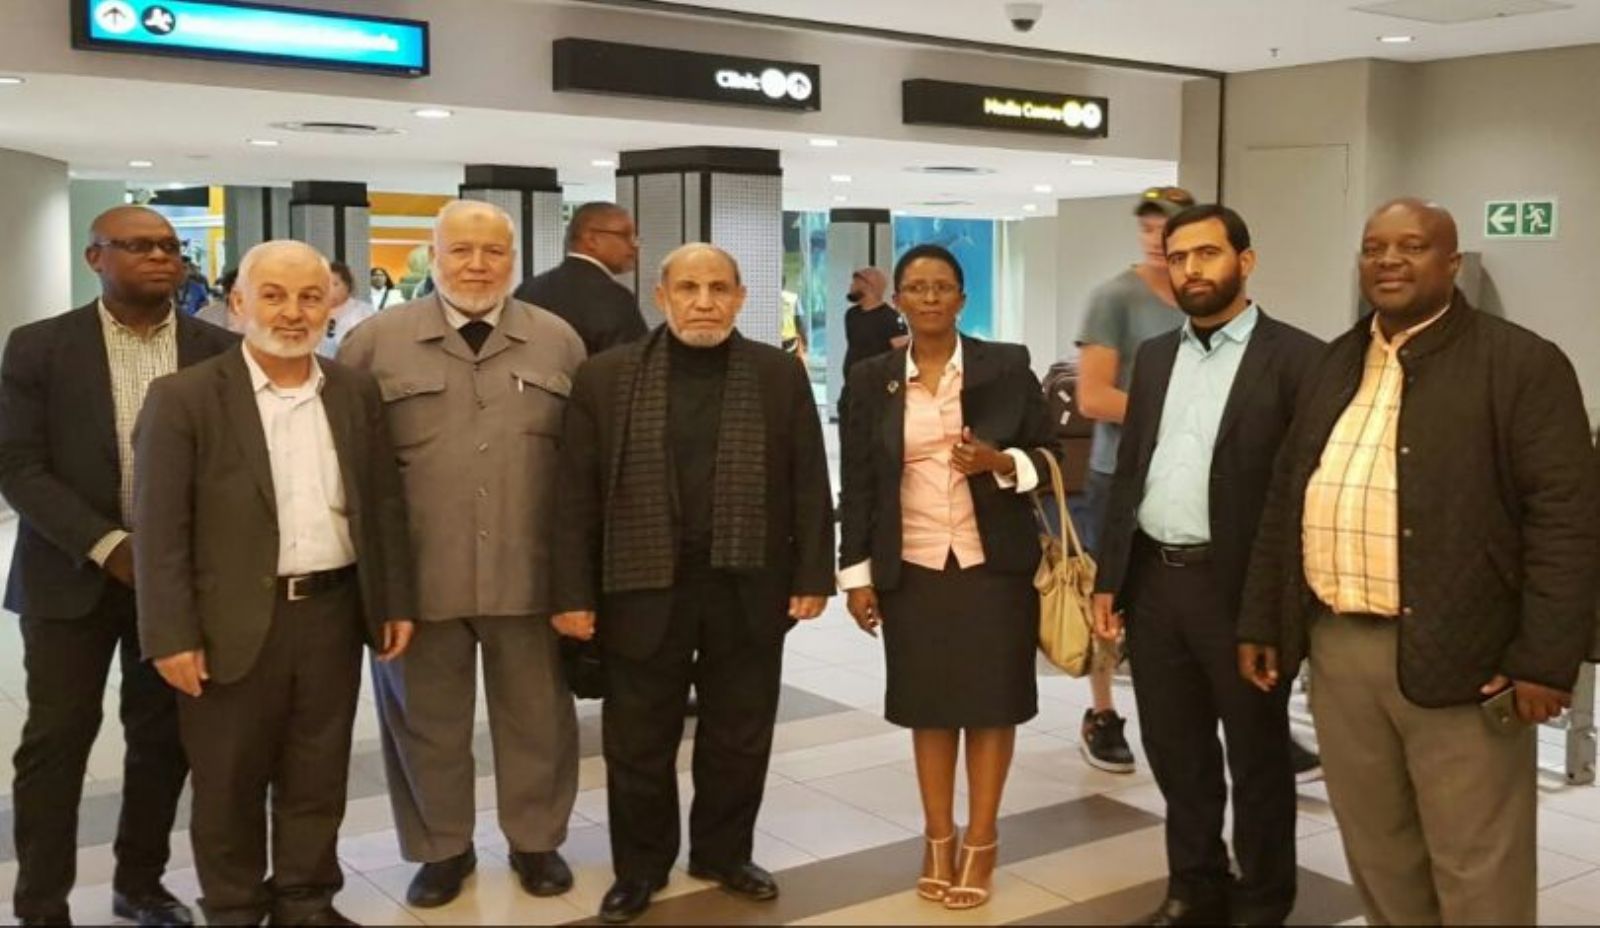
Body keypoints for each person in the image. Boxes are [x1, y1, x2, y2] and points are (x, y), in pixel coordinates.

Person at [1239, 199, 1599, 925]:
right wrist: (1262, 619)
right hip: (1340, 650)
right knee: (1379, 852)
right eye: (1375, 247)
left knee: (1476, 861)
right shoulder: (1335, 362)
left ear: (1452, 263)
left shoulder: (1521, 364)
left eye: (1412, 246)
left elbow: (1568, 520)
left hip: (1466, 655)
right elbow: (1286, 497)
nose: (1389, 260)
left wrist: (1546, 660)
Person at [550, 243, 834, 924]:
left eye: (717, 288)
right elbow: (573, 496)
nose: (703, 302)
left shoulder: (776, 375)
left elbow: (808, 480)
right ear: (661, 296)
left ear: (740, 297)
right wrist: (571, 593)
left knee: (740, 731)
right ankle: (640, 867)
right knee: (637, 738)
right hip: (640, 584)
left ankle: (724, 854)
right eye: (688, 288)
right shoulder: (605, 378)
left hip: (748, 581)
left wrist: (813, 574)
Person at [135, 239, 416, 926]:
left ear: (331, 306)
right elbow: (160, 528)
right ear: (237, 304)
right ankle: (233, 906)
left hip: (332, 611)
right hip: (227, 621)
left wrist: (393, 600)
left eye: (310, 297)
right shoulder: (184, 398)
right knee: (228, 780)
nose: (293, 312)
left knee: (317, 771)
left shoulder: (352, 391)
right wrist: (170, 635)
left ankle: (305, 899)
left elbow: (382, 504)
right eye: (274, 296)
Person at [338, 200, 587, 909]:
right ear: (434, 254)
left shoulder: (557, 341)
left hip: (530, 574)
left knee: (539, 720)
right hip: (419, 581)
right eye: (462, 250)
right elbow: (348, 469)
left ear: (514, 259)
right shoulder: (373, 343)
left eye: (493, 252)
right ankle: (440, 849)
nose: (478, 265)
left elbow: (584, 466)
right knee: (425, 725)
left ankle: (536, 841)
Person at [0, 205, 236, 928]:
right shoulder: (40, 347)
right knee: (56, 742)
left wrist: (169, 557)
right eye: (138, 246)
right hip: (68, 576)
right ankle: (41, 902)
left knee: (161, 740)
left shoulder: (217, 349)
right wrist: (109, 546)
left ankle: (141, 883)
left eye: (169, 246)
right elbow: (17, 464)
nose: (161, 257)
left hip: (175, 582)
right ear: (94, 257)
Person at [1093, 206, 1325, 926]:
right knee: (1175, 750)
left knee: (1257, 757)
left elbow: (1302, 497)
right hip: (1157, 583)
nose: (1191, 269)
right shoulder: (1156, 357)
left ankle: (1263, 899)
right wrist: (1110, 576)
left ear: (1244, 262)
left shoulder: (1299, 360)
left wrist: (1278, 607)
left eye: (1208, 254)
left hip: (1242, 590)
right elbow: (1132, 470)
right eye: (1178, 256)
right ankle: (1194, 885)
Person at [838, 244, 1052, 912]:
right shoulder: (871, 378)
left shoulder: (1006, 365)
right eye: (916, 287)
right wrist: (857, 575)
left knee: (992, 705)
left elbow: (1050, 453)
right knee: (926, 707)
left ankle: (982, 840)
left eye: (942, 287)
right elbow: (858, 481)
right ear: (898, 299)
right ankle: (938, 838)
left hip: (994, 565)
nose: (929, 298)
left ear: (963, 298)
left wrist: (1001, 462)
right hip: (913, 565)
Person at [1070, 185, 1194, 775]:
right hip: (1121, 475)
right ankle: (1103, 713)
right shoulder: (1115, 298)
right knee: (1112, 596)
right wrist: (1182, 411)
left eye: (1166, 227)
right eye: (1146, 226)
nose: (1155, 237)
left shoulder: (1202, 297)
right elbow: (1093, 397)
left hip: (1190, 473)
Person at [514, 201, 647, 356]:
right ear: (592, 240)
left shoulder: (529, 288)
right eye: (625, 235)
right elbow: (633, 361)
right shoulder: (613, 296)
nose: (634, 245)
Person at [318, 261, 376, 358]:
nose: (329, 290)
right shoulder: (314, 311)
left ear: (347, 286)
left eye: (335, 284)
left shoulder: (363, 311)